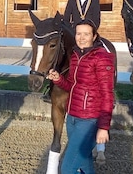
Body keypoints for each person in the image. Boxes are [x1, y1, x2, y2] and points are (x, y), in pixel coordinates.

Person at [46, 19, 115, 174]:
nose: (81, 37)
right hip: (73, 118)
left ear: (94, 36)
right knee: (84, 164)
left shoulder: (102, 58)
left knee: (68, 168)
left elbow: (107, 94)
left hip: (90, 121)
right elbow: (72, 85)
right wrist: (58, 79)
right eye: (78, 33)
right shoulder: (76, 56)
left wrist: (104, 127)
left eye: (86, 34)